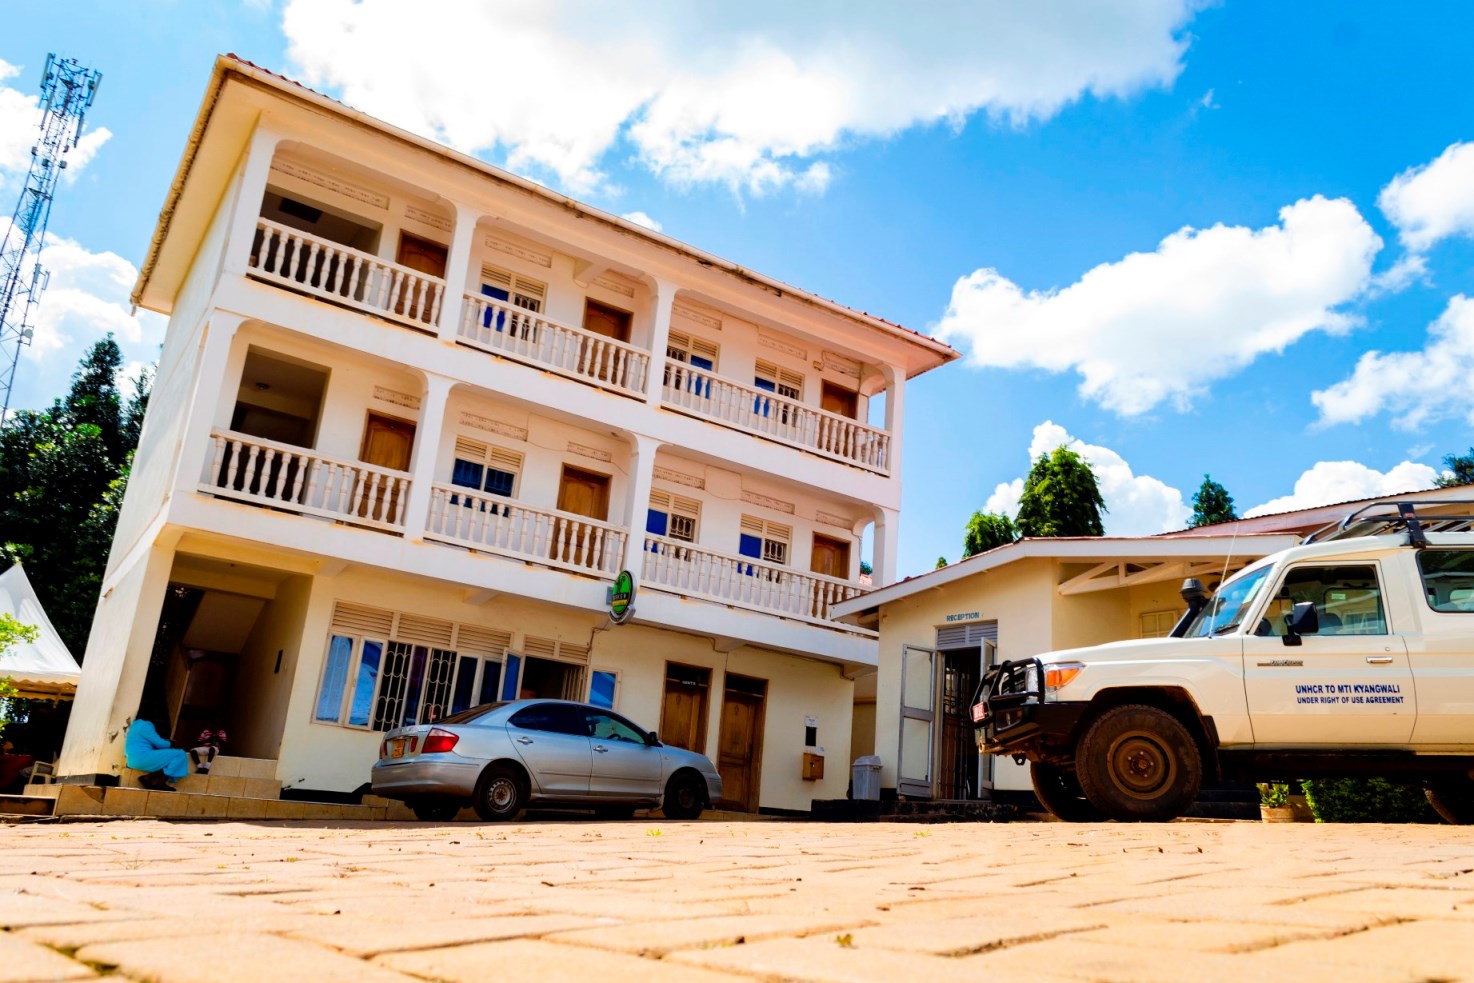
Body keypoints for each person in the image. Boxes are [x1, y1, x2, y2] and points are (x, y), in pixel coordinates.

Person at [124, 712, 189, 791]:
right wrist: (171, 743)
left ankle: (150, 778)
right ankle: (157, 781)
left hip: (131, 760)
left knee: (170, 758)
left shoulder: (134, 726)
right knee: (180, 754)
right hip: (141, 758)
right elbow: (160, 743)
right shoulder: (145, 725)